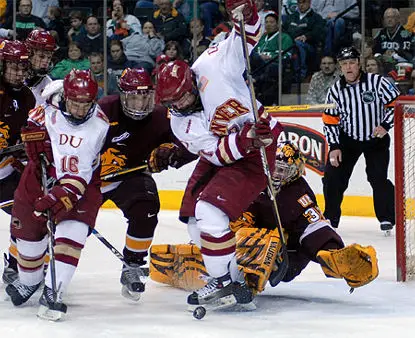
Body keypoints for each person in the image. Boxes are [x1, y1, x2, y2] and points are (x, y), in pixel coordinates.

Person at [155, 0, 283, 311]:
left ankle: (222, 282)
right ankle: (233, 276)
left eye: (184, 95)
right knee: (192, 217)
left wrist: (248, 15)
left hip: (260, 145)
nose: (181, 104)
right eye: (173, 101)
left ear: (191, 83)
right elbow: (217, 153)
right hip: (233, 148)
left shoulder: (213, 65)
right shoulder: (179, 120)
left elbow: (246, 39)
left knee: (210, 211)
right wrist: (245, 137)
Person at [150, 141, 379, 294]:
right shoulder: (254, 180)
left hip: (284, 256)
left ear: (296, 171)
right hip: (250, 242)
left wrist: (331, 252)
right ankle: (213, 267)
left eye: (284, 170)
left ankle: (243, 282)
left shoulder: (298, 194)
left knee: (262, 238)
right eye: (274, 168)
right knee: (221, 234)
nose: (277, 175)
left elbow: (313, 227)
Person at [5, 69, 109, 321]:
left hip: (79, 185)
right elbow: (37, 114)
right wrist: (33, 133)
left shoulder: (96, 126)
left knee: (70, 234)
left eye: (86, 104)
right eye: (75, 103)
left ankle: (55, 291)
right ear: (65, 97)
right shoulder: (53, 97)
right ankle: (31, 281)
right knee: (29, 241)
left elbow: (77, 178)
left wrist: (57, 196)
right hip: (36, 178)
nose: (80, 110)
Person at [97, 67, 197, 301]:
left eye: (145, 96)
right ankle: (38, 264)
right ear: (122, 95)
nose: (140, 104)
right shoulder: (102, 111)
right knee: (67, 221)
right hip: (91, 180)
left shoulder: (162, 117)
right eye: (134, 97)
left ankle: (132, 265)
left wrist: (172, 153)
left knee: (147, 208)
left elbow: (191, 144)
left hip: (130, 178)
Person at [322, 46, 400, 233]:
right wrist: (334, 146)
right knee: (332, 178)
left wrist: (385, 125)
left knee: (378, 177)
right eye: (344, 64)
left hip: (376, 139)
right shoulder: (335, 90)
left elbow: (396, 105)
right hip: (347, 140)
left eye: (351, 63)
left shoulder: (377, 82)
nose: (348, 67)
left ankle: (387, 218)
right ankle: (330, 218)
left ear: (359, 64)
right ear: (340, 67)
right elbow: (330, 120)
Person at [0, 40, 36, 285]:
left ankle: (15, 264)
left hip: (5, 173)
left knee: (26, 216)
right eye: (13, 66)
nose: (19, 72)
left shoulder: (26, 97)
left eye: (23, 67)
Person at [25, 29, 57, 105]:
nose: (46, 61)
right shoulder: (13, 78)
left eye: (49, 58)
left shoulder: (49, 85)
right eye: (41, 56)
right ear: (29, 55)